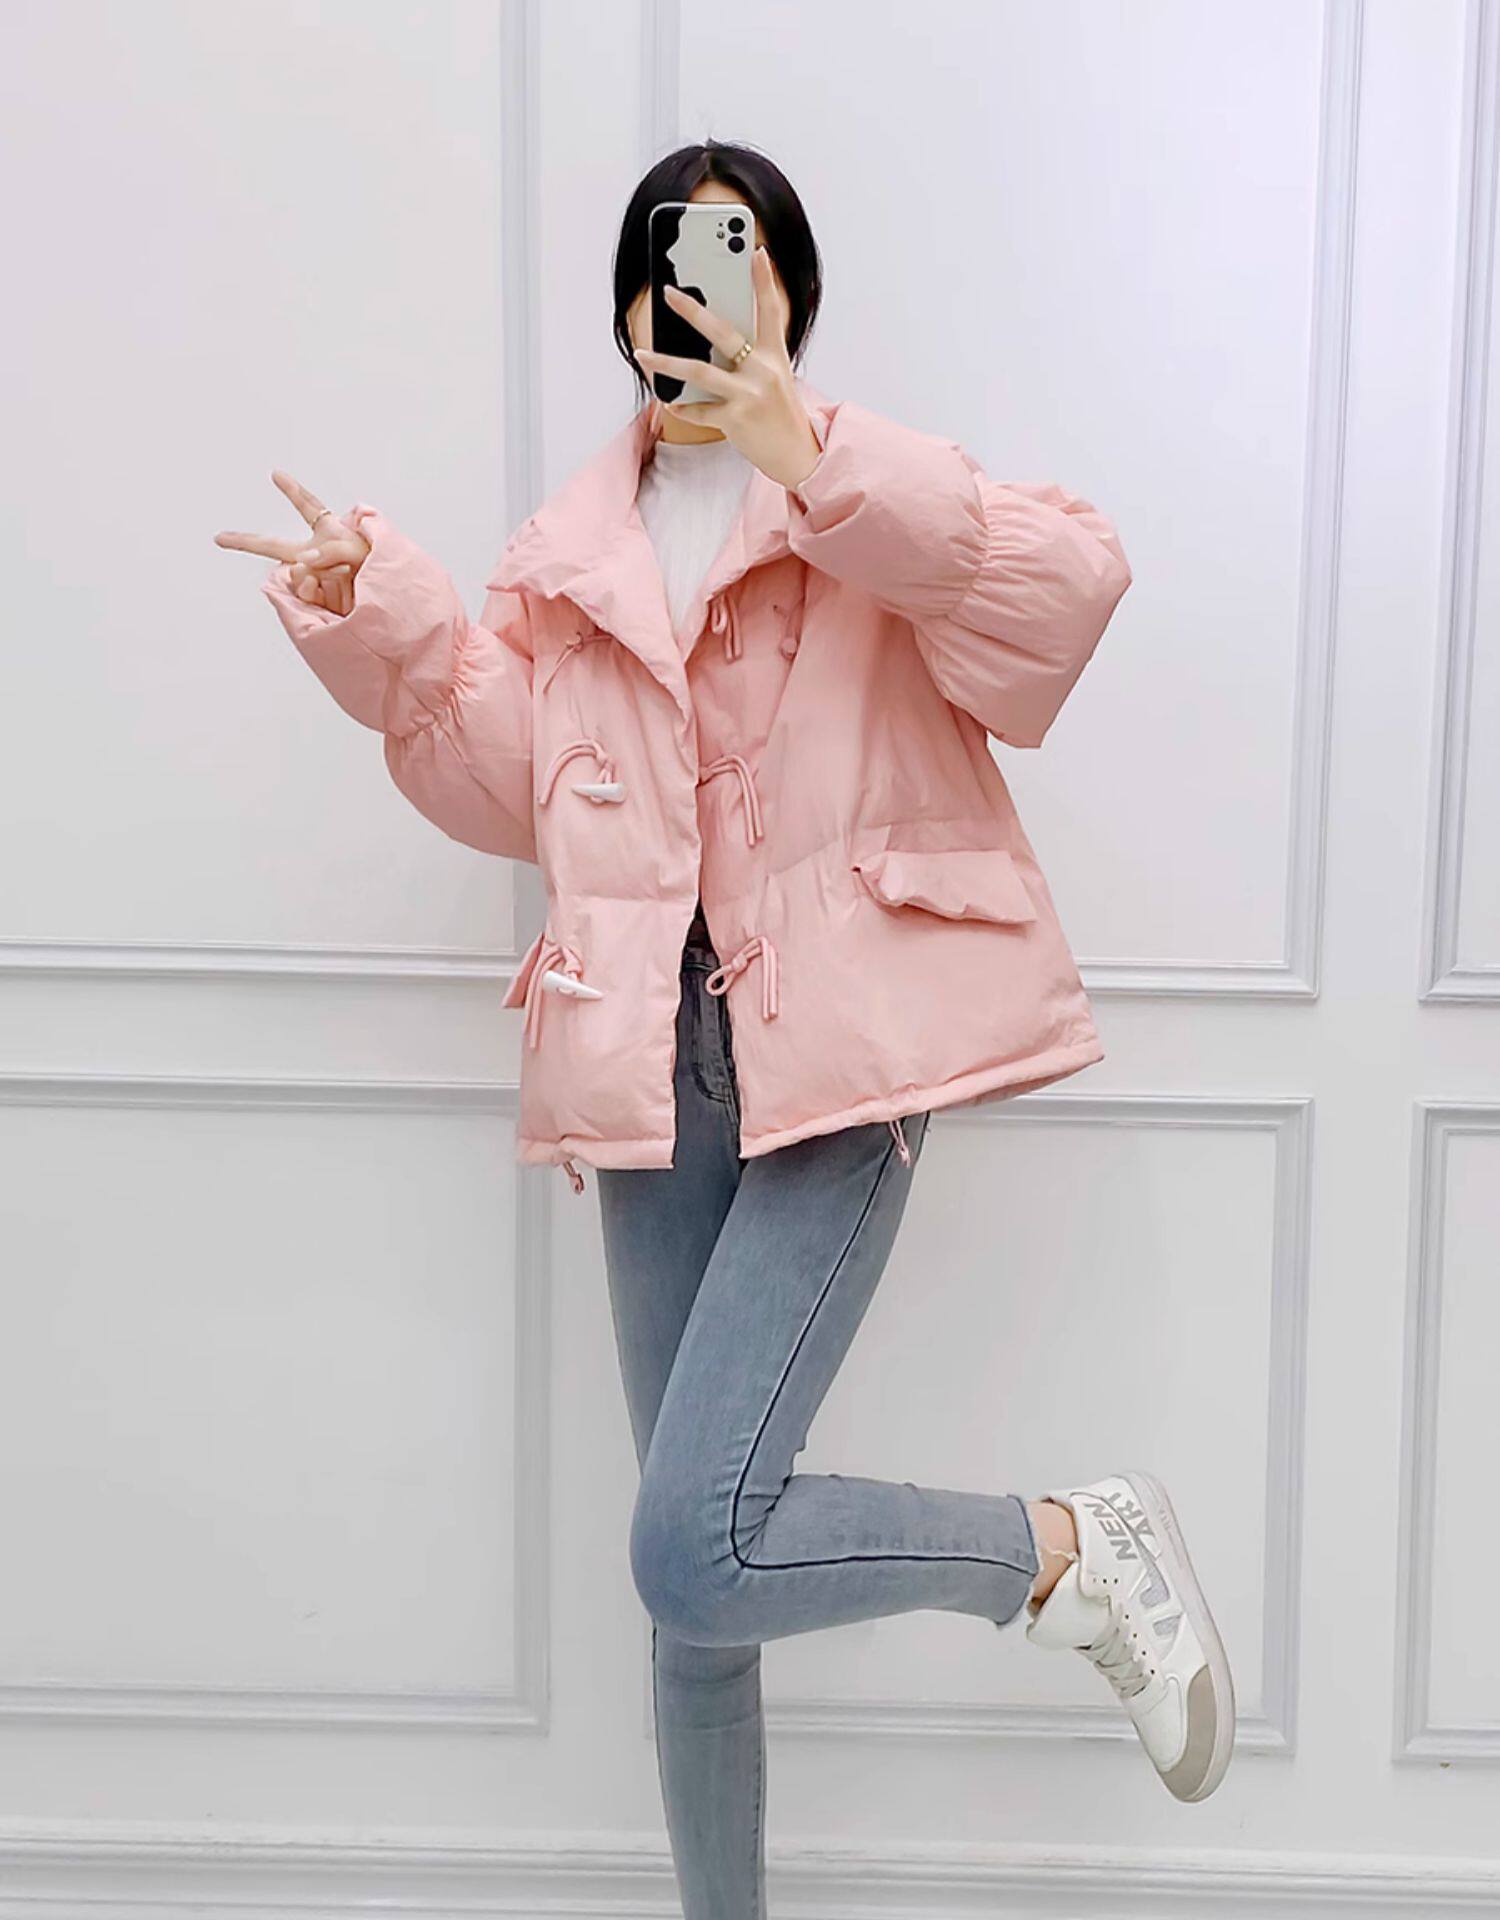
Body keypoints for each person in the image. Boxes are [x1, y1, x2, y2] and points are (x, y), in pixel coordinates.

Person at [217, 140, 1234, 1919]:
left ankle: (1068, 1553)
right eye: (668, 259)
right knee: (695, 1597)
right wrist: (396, 625)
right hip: (651, 1059)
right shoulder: (570, 558)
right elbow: (524, 795)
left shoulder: (867, 501)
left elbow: (1063, 602)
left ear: (789, 291)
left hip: (845, 1054)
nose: (692, 286)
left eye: (734, 250)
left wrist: (815, 457)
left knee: (694, 1541)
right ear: (631, 306)